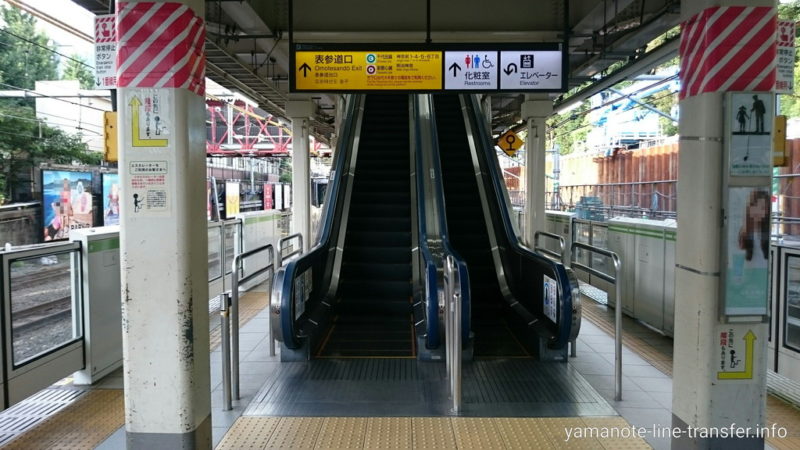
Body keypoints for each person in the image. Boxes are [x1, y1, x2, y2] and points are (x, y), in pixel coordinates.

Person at [738, 189, 770, 262]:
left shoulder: (767, 233)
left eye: (765, 208)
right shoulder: (744, 232)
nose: (764, 212)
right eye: (761, 208)